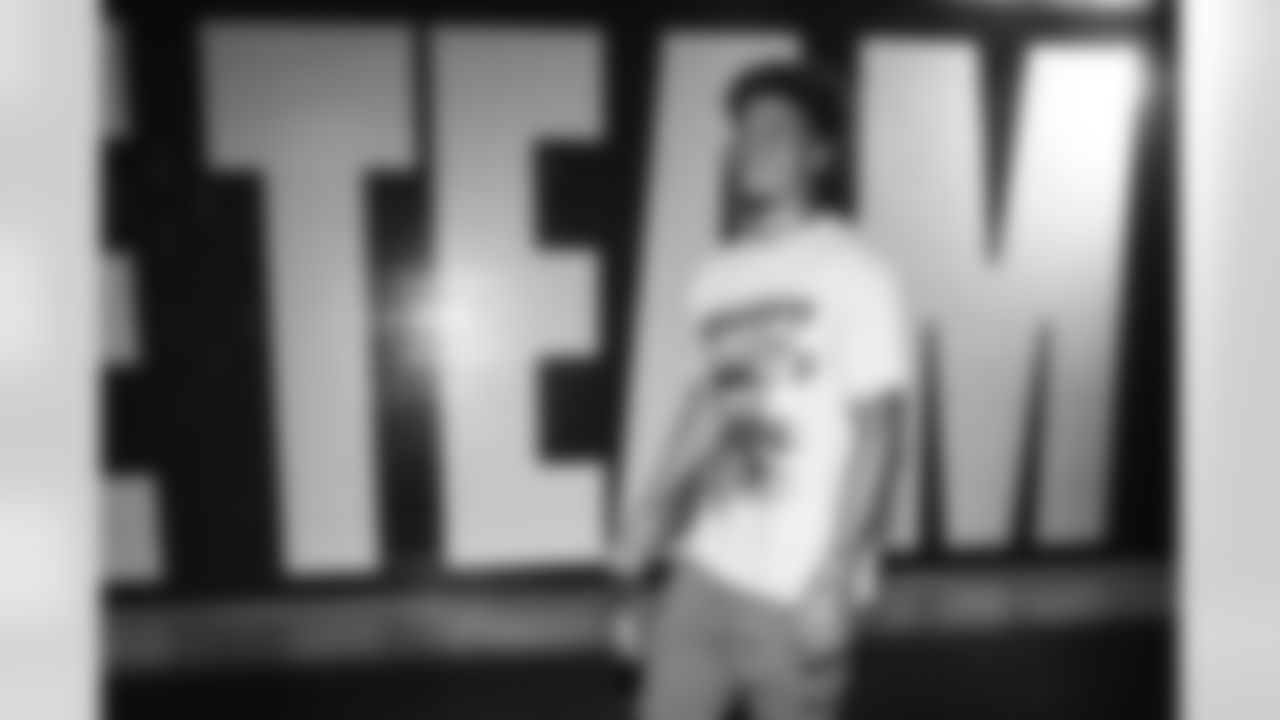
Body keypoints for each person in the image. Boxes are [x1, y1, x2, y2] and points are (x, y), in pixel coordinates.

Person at [609, 60, 914, 720]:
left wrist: (836, 576)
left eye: (776, 130)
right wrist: (650, 508)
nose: (752, 143)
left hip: (797, 586)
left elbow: (879, 430)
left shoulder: (853, 270)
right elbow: (708, 402)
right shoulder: (716, 273)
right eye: (744, 129)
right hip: (706, 567)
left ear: (819, 156)